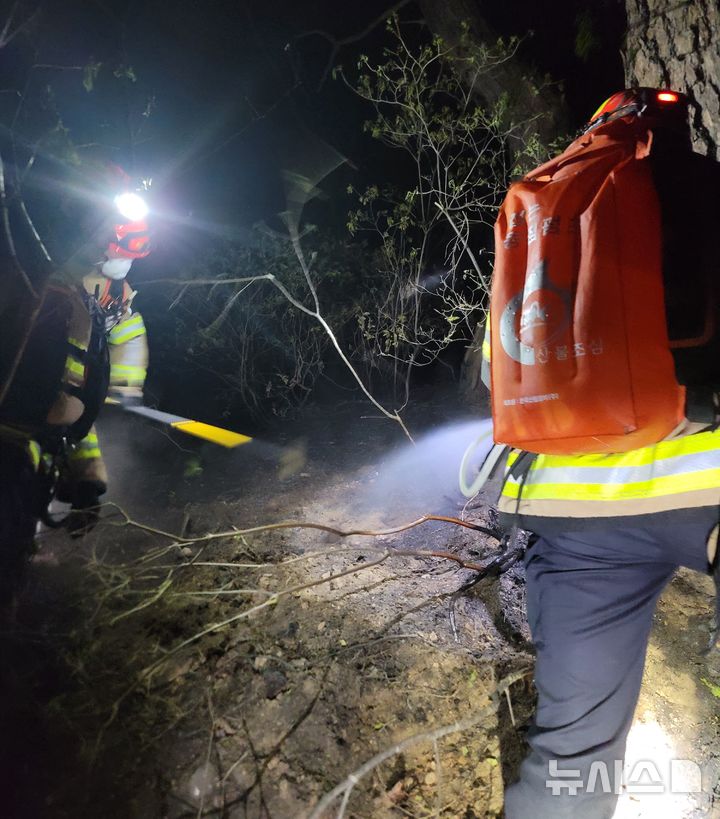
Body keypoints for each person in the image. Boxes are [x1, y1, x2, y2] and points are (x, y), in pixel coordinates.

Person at [479, 89, 720, 818]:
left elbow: (498, 375)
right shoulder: (702, 190)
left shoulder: (546, 224)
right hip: (703, 483)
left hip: (567, 512)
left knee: (571, 757)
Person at [0, 171, 151, 576]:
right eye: (122, 248)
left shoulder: (106, 296)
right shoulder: (46, 283)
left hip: (48, 430)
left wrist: (126, 386)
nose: (126, 260)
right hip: (16, 427)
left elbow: (73, 408)